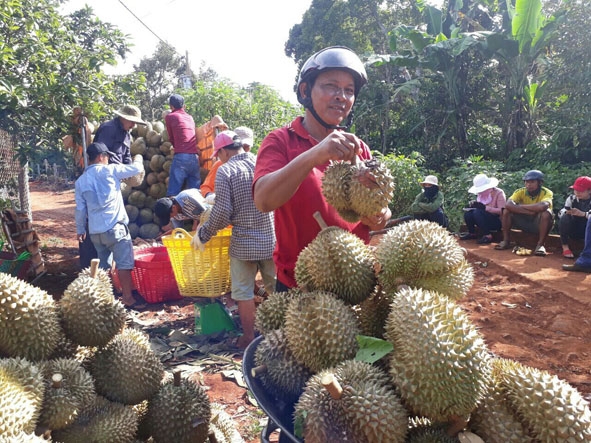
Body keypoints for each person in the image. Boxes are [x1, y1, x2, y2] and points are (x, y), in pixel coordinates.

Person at [253, 46, 391, 292]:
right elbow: (263, 200)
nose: (341, 96)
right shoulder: (281, 141)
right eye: (331, 86)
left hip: (355, 282)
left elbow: (377, 216)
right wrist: (315, 154)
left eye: (349, 90)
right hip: (300, 288)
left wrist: (380, 215)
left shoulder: (359, 150)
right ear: (306, 91)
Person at [193, 130, 276, 349]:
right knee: (277, 289)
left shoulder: (226, 171)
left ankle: (249, 337)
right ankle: (285, 336)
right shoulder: (262, 162)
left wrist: (204, 234)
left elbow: (221, 213)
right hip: (271, 239)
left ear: (223, 152)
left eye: (218, 154)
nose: (218, 159)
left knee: (243, 292)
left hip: (244, 243)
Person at [74, 142, 145, 309]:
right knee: (124, 265)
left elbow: (80, 209)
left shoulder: (80, 181)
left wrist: (80, 229)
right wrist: (139, 159)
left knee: (103, 267)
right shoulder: (110, 170)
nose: (108, 160)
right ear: (101, 157)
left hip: (96, 232)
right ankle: (127, 298)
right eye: (107, 157)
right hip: (115, 229)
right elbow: (135, 170)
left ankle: (105, 301)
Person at [78, 104, 146, 269]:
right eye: (132, 122)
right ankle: (95, 264)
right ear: (124, 118)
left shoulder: (127, 134)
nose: (134, 126)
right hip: (104, 178)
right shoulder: (108, 129)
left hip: (115, 177)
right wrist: (127, 168)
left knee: (110, 215)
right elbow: (100, 155)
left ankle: (105, 268)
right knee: (100, 214)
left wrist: (128, 174)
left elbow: (126, 156)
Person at [494, 169, 553, 256]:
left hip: (538, 223)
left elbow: (543, 206)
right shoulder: (520, 191)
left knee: (546, 213)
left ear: (540, 183)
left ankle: (540, 245)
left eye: (532, 182)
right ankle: (506, 240)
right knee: (506, 211)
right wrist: (530, 212)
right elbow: (508, 204)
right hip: (524, 220)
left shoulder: (546, 192)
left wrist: (520, 206)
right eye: (526, 182)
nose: (529, 184)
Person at [201, 126, 254, 205]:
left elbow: (223, 210)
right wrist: (209, 196)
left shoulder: (256, 164)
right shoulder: (220, 165)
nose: (245, 149)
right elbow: (205, 187)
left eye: (247, 147)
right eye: (243, 146)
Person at [164, 94, 201, 196]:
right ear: (184, 106)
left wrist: (175, 147)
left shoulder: (170, 116)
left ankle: (171, 211)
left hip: (181, 157)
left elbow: (171, 137)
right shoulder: (190, 118)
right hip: (194, 158)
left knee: (173, 192)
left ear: (171, 107)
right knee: (195, 194)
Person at [459, 173, 506, 244]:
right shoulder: (481, 195)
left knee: (477, 212)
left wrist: (485, 208)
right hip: (483, 220)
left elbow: (502, 211)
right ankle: (472, 233)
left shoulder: (499, 193)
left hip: (496, 221)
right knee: (468, 214)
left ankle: (488, 235)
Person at [558, 176, 591, 258]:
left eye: (581, 191)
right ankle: (565, 247)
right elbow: (560, 213)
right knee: (565, 218)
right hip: (574, 228)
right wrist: (567, 212)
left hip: (587, 229)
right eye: (576, 190)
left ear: (589, 190)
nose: (577, 193)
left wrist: (583, 214)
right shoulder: (571, 198)